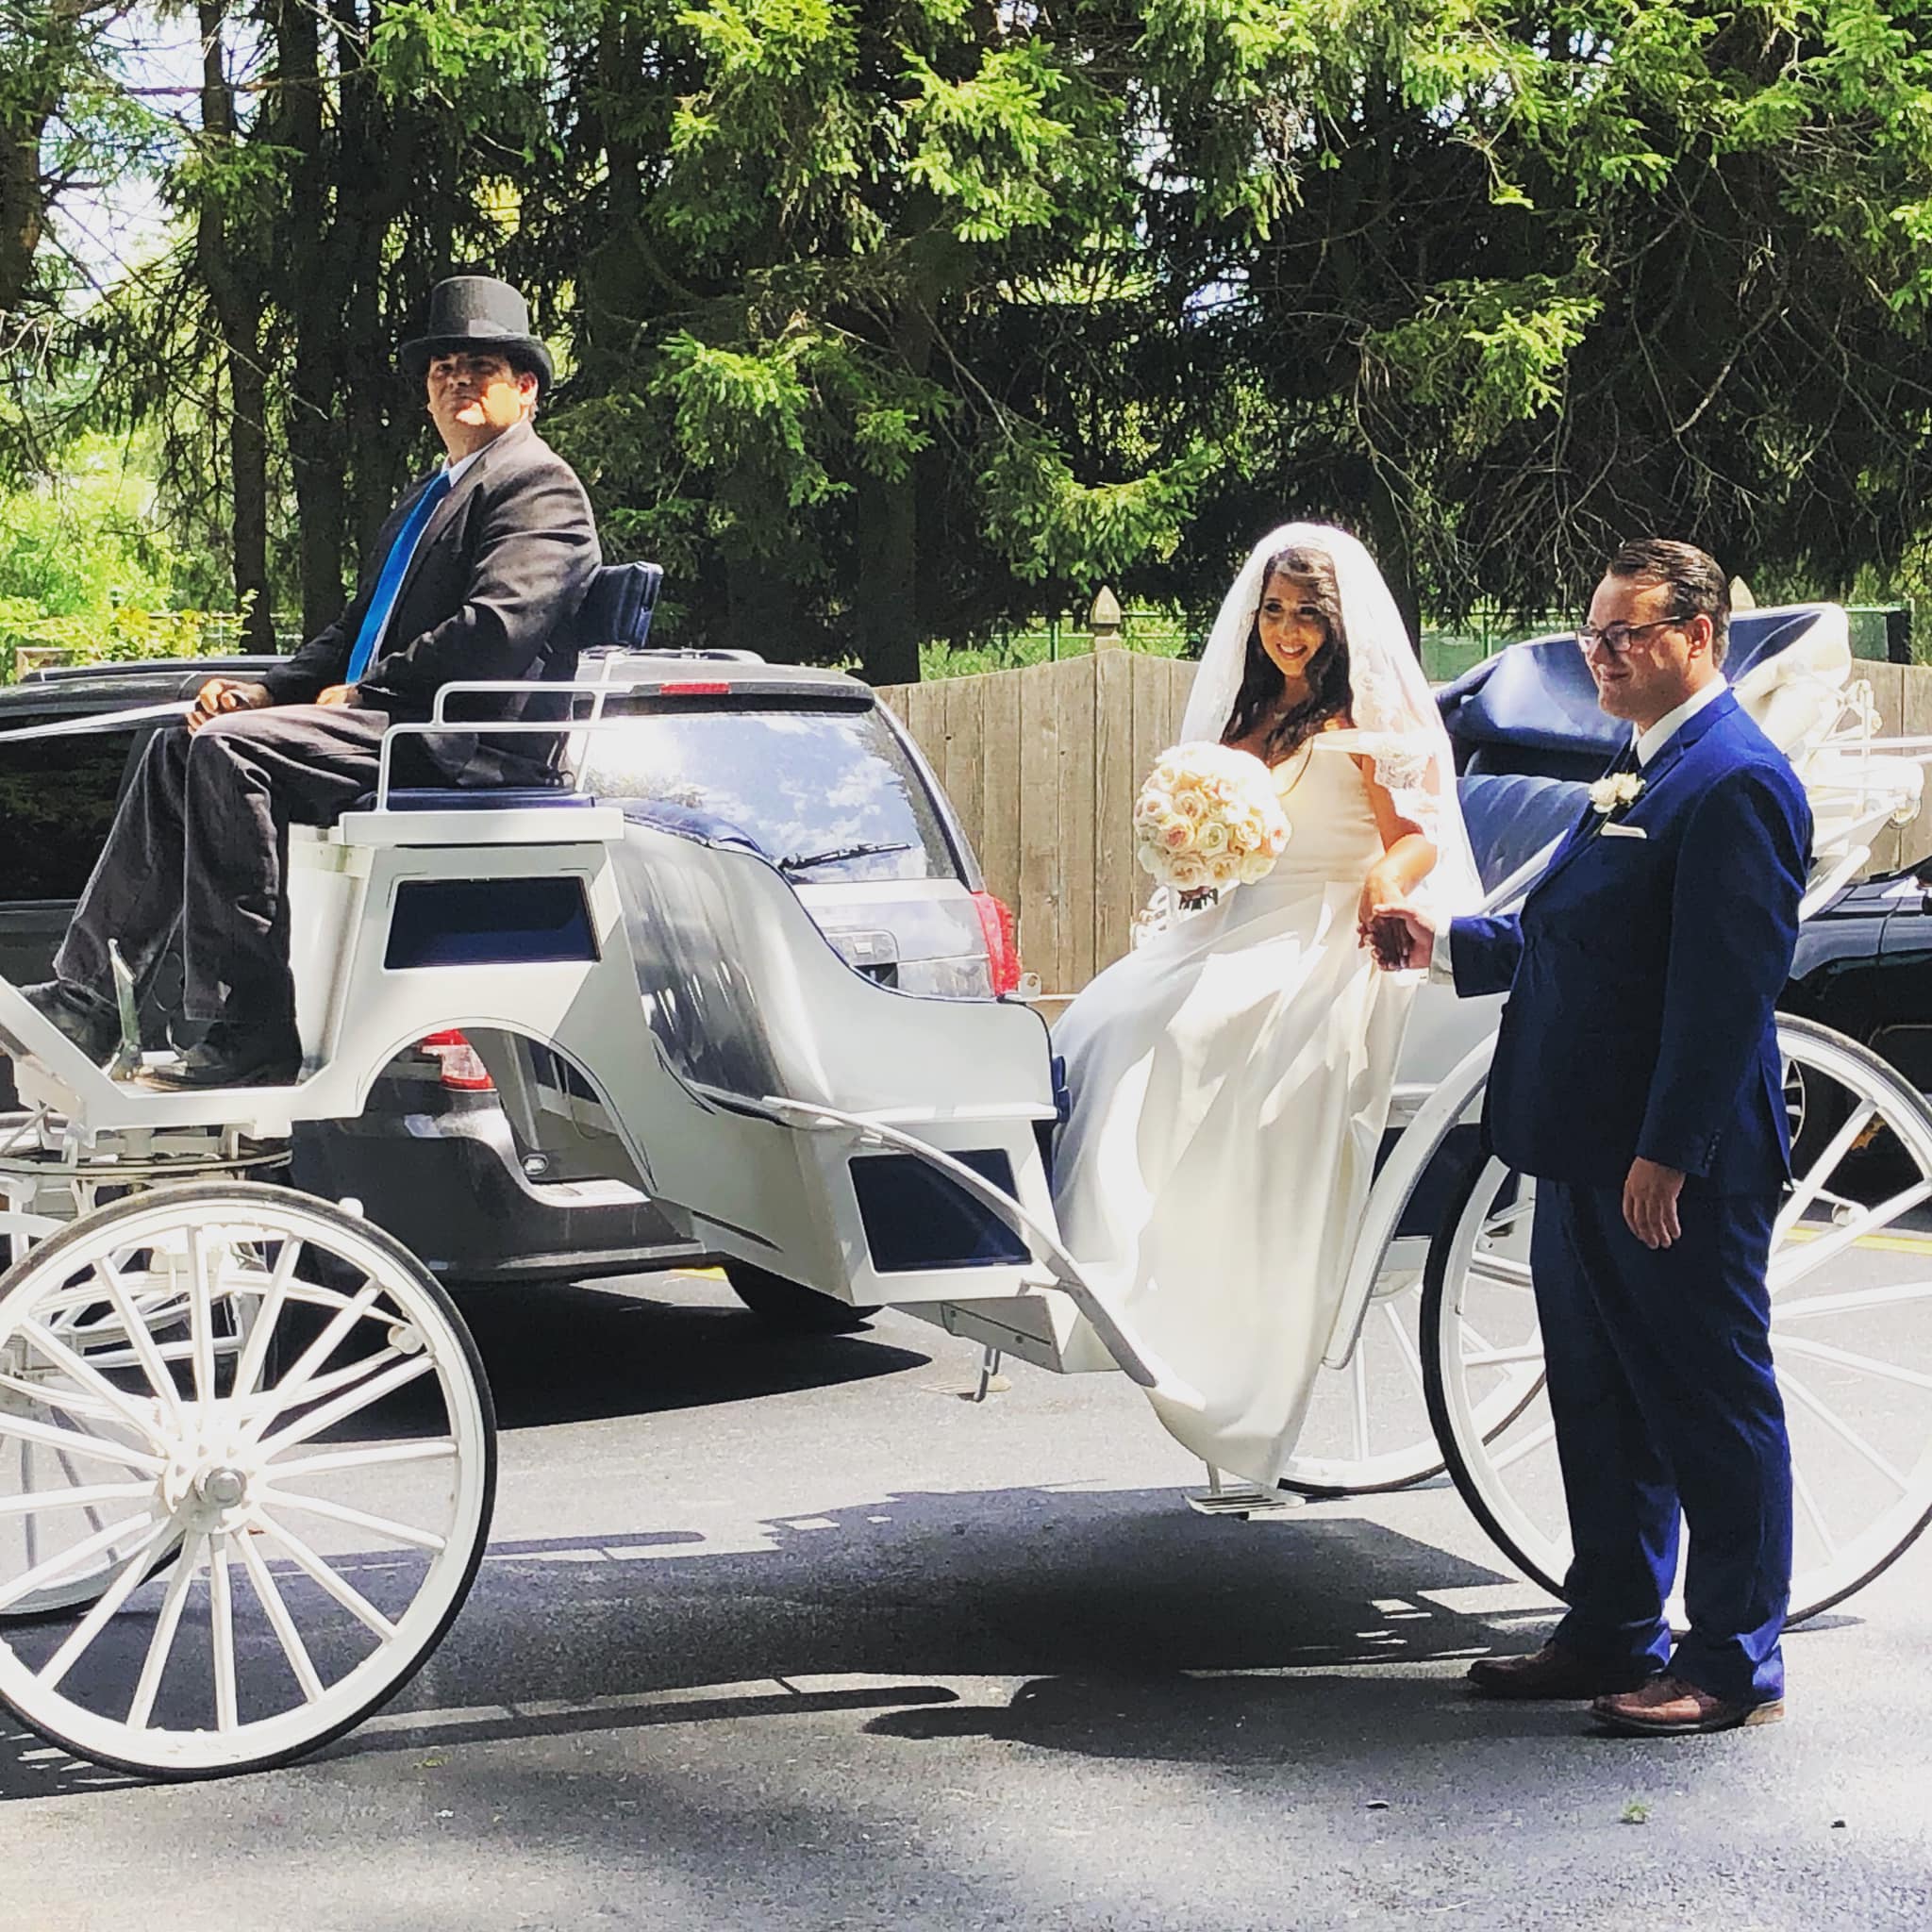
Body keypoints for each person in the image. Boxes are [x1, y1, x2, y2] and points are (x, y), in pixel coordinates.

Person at [1376, 538, 1810, 1737]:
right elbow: (1583, 936)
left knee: (1707, 1403)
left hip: (1667, 1163)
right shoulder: (1636, 763)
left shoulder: (1734, 781)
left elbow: (1723, 993)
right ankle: (1612, 1623)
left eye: (1625, 634)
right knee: (1598, 1398)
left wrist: (1667, 1153)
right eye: (1592, 635)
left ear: (1697, 636)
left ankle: (1733, 1661)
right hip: (1577, 1147)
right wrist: (1444, 944)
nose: (1600, 656)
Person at [24, 274, 600, 1090]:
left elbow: (498, 629)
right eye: (443, 368)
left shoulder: (539, 486)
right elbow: (352, 629)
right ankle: (85, 999)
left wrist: (370, 692)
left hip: (461, 742)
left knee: (232, 753)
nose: (458, 381)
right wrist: (267, 691)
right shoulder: (430, 496)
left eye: (482, 367)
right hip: (391, 726)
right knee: (175, 744)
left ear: (527, 389)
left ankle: (248, 1028)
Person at [1050, 523, 1481, 1489]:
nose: (1288, 632)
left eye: (1306, 616)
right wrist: (1196, 859)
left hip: (1327, 925)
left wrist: (1386, 882)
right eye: (1274, 613)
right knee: (1103, 1017)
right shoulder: (1251, 711)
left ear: (1338, 624)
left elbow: (1415, 837)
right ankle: (1108, 1255)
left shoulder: (1361, 718)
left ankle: (1170, 1273)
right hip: (1241, 916)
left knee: (1183, 1028)